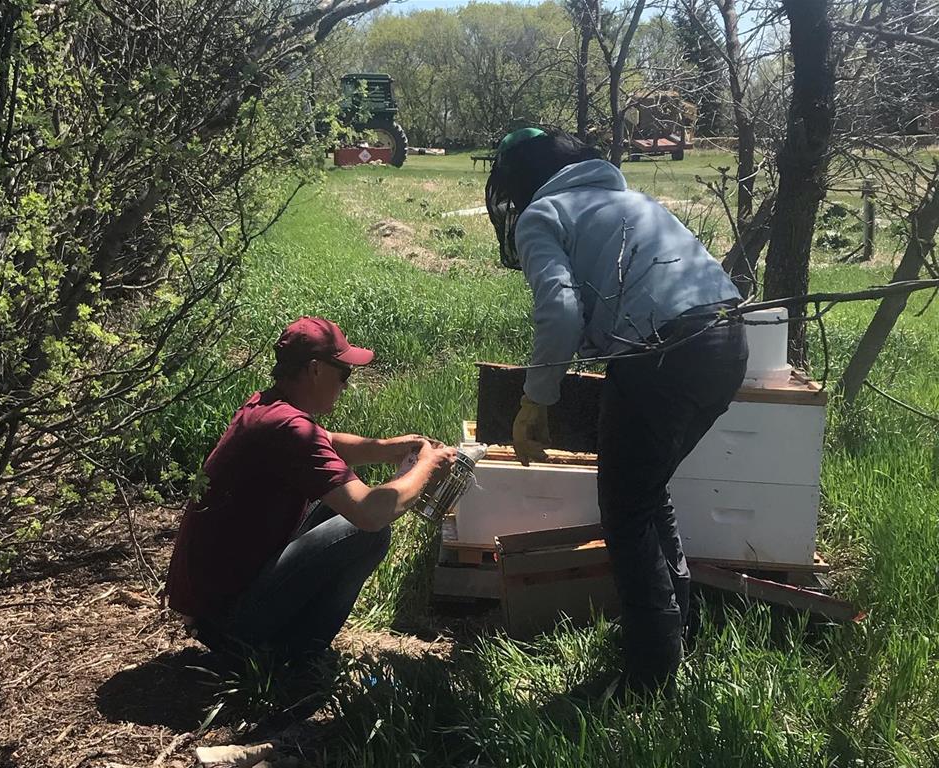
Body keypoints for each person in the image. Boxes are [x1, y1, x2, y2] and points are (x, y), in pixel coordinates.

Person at [485, 128, 749, 698]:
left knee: (625, 513)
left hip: (659, 353)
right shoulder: (632, 202)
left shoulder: (543, 214)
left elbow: (559, 312)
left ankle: (649, 677)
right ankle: (677, 630)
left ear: (521, 183)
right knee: (648, 491)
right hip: (727, 340)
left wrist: (536, 400)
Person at [165, 316, 456, 667]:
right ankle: (292, 654)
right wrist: (429, 468)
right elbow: (371, 512)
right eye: (344, 374)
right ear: (316, 370)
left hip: (216, 606)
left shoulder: (267, 407)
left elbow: (328, 442)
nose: (346, 385)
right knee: (368, 533)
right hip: (231, 620)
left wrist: (394, 447)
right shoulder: (287, 428)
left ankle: (278, 642)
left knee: (338, 508)